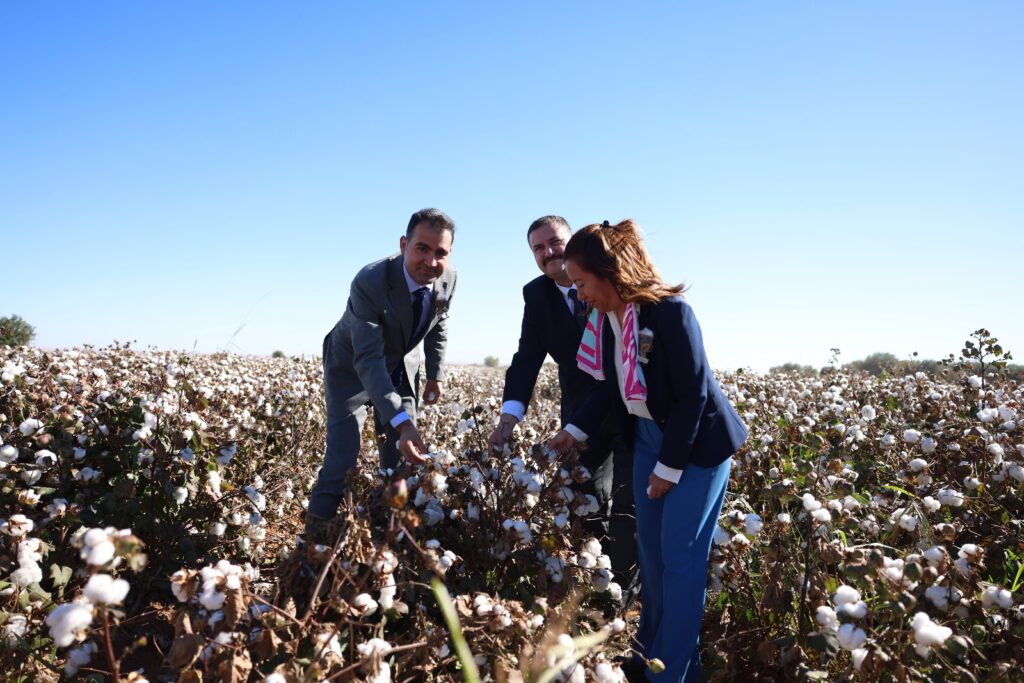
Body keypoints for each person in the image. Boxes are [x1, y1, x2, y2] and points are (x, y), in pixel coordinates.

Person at [548, 220, 747, 682]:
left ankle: (669, 675)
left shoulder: (672, 313)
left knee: (680, 563)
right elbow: (611, 388)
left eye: (582, 283)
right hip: (647, 438)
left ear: (610, 272)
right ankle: (651, 658)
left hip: (695, 447)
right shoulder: (610, 320)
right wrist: (572, 431)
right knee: (652, 562)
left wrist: (669, 467)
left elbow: (693, 397)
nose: (579, 294)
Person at [488, 215, 638, 605]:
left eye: (555, 242)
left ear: (573, 243)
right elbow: (527, 359)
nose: (548, 252)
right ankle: (595, 588)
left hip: (629, 408)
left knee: (629, 503)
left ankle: (626, 598)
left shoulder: (608, 278)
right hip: (579, 412)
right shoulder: (536, 294)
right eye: (538, 248)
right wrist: (508, 418)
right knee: (584, 499)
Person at [306, 208, 457, 541]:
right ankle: (311, 547)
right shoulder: (370, 281)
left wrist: (435, 374)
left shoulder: (448, 277)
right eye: (422, 248)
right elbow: (369, 360)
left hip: (403, 366)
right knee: (342, 459)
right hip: (351, 369)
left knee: (402, 462)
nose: (431, 261)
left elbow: (439, 323)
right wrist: (401, 422)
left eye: (441, 252)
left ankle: (390, 538)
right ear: (404, 244)